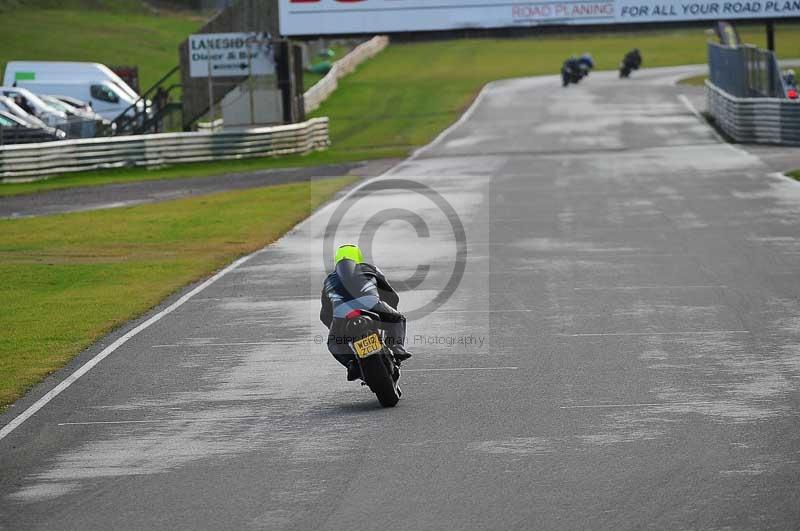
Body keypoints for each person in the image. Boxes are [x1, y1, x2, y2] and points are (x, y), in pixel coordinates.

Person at [320, 244, 413, 381]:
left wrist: (336, 328)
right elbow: (391, 296)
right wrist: (390, 311)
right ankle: (397, 347)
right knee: (398, 319)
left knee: (333, 343)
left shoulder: (328, 281)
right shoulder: (370, 269)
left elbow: (324, 315)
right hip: (372, 305)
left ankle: (351, 364)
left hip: (341, 314)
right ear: (358, 257)